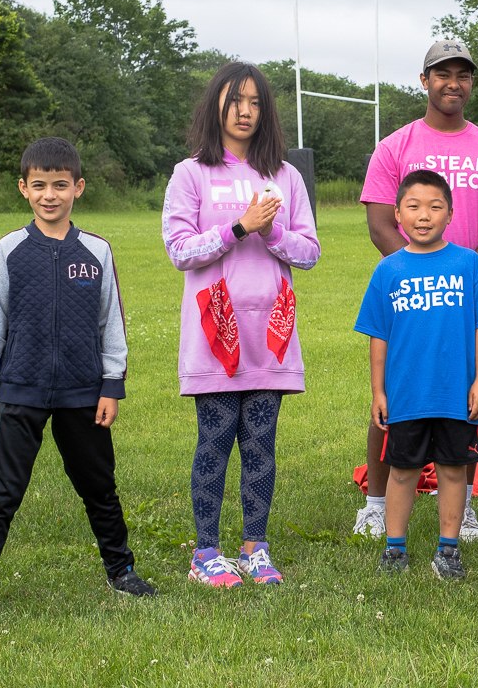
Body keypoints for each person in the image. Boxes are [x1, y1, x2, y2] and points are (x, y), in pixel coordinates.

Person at [0, 137, 156, 623]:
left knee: (99, 488)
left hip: (83, 394)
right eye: (40, 185)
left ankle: (121, 571)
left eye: (61, 185)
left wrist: (112, 384)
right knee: (1, 493)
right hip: (20, 392)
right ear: (24, 189)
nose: (51, 195)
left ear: (79, 188)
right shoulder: (9, 250)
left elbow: (111, 323)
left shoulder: (97, 252)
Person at [355, 40, 478, 542]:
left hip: (470, 296)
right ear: (424, 81)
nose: (453, 83)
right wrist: (417, 273)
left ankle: (463, 505)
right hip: (412, 297)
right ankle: (376, 504)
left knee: (469, 399)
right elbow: (381, 223)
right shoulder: (395, 146)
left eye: (463, 75)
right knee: (392, 402)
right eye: (441, 74)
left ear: (471, 83)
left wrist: (464, 274)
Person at [163, 62, 320, 588]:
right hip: (215, 335)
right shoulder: (191, 173)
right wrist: (237, 227)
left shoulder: (286, 176)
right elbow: (180, 251)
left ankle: (256, 547)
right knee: (213, 443)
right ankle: (205, 553)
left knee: (260, 445)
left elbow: (309, 252)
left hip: (270, 336)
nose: (246, 111)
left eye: (255, 102)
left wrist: (271, 232)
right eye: (235, 101)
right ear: (216, 107)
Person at [354, 170, 478, 580]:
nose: (425, 215)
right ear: (398, 214)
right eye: (414, 207)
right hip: (406, 394)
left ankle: (448, 549)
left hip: (457, 394)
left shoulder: (469, 264)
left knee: (453, 470)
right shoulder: (389, 270)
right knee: (402, 471)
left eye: (435, 207)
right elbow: (379, 338)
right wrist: (378, 392)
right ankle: (395, 548)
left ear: (451, 214)